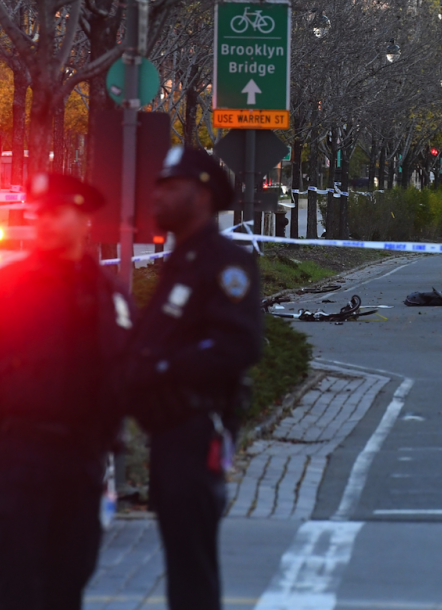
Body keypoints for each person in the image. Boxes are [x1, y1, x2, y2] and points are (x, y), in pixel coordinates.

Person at [0, 173, 133, 610]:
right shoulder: (9, 285)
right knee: (15, 578)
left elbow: (128, 364)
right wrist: (4, 389)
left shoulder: (107, 292)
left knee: (70, 575)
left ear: (82, 219)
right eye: (40, 213)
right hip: (21, 453)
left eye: (57, 213)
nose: (45, 222)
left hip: (82, 457)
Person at [126, 146, 263, 609]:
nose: (158, 196)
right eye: (157, 186)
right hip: (167, 434)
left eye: (171, 187)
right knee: (181, 565)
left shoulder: (223, 263)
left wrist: (164, 368)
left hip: (196, 429)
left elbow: (238, 345)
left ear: (202, 197)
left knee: (193, 571)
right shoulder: (180, 261)